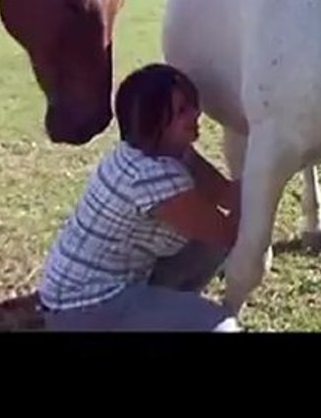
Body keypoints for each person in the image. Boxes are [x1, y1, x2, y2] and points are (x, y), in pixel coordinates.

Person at [36, 63, 242, 331]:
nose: (196, 113)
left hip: (94, 288)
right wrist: (267, 177)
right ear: (153, 123)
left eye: (192, 104)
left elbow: (226, 195)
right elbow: (229, 232)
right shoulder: (152, 177)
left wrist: (266, 177)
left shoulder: (158, 148)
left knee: (209, 247)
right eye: (181, 111)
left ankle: (164, 312)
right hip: (84, 308)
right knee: (221, 327)